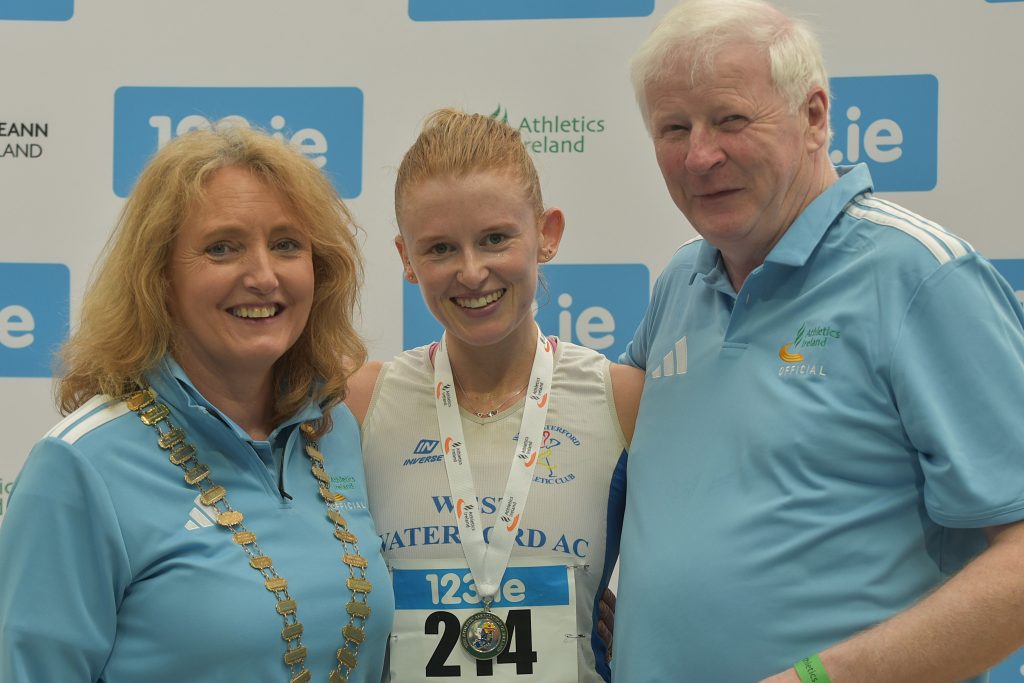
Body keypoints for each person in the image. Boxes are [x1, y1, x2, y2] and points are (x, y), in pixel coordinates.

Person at [612, 1, 1024, 682]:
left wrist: (824, 678)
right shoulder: (680, 280)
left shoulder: (920, 274)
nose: (700, 154)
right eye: (673, 128)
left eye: (731, 119)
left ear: (814, 116)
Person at [0, 124, 394, 682]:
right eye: (222, 248)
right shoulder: (79, 467)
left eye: (286, 244)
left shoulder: (335, 432)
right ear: (158, 278)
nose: (262, 275)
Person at [344, 108, 643, 682]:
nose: (472, 271)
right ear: (406, 258)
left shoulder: (621, 397)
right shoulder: (362, 401)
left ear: (547, 233)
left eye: (495, 238)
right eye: (439, 249)